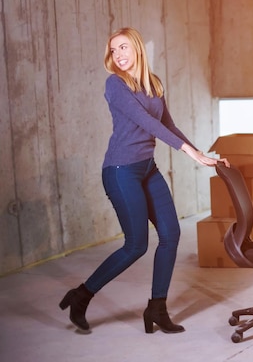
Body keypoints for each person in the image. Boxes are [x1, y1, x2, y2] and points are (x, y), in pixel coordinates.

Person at [59, 27, 229, 334]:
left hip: (147, 169)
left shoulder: (154, 84)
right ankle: (82, 295)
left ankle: (156, 308)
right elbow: (147, 123)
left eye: (124, 47)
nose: (119, 55)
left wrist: (203, 154)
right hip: (121, 170)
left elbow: (168, 125)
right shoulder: (115, 85)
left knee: (171, 234)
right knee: (136, 244)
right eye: (114, 50)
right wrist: (193, 156)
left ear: (137, 48)